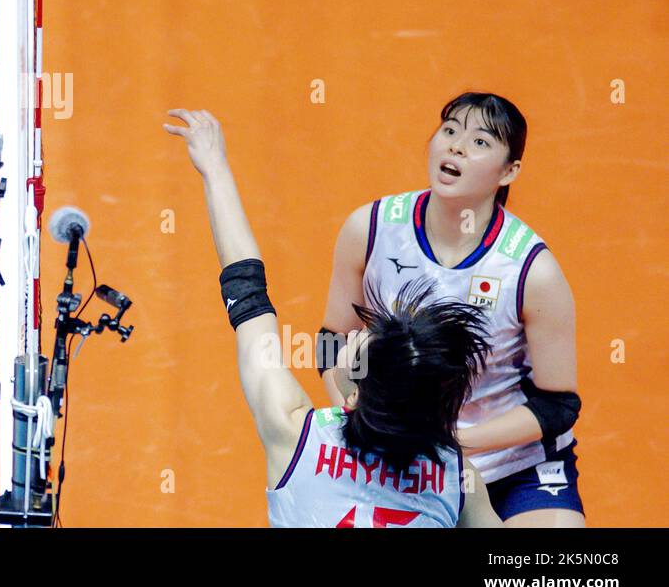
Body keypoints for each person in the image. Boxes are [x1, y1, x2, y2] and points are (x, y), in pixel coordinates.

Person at [164, 108, 501, 527]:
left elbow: (247, 295)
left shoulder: (295, 436)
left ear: (353, 398)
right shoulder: (458, 478)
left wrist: (214, 169)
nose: (354, 337)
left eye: (360, 347)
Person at [318, 93, 584, 527]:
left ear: (509, 171)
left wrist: (456, 442)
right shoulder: (369, 229)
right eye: (450, 131)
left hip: (513, 471)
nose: (457, 146)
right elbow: (333, 340)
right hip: (399, 458)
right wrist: (356, 417)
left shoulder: (532, 272)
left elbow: (558, 406)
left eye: (480, 142)